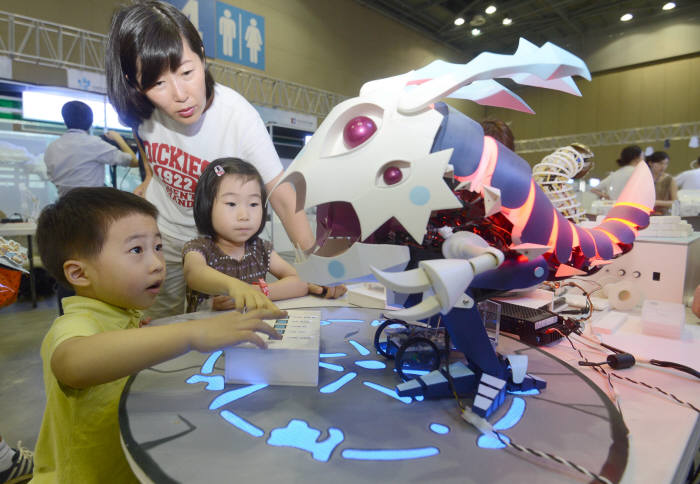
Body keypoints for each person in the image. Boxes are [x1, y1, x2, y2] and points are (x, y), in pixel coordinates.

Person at [32, 187, 284, 482]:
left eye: (159, 247)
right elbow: (72, 362)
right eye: (137, 250)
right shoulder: (76, 322)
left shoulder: (124, 313)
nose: (157, 264)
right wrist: (192, 333)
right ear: (79, 274)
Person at [106, 1, 314, 319]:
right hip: (163, 238)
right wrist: (149, 179)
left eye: (187, 72)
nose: (180, 94)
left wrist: (314, 262)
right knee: (158, 323)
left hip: (218, 244)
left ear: (202, 55)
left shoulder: (238, 117)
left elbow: (283, 197)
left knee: (217, 320)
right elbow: (145, 143)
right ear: (134, 83)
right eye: (158, 83)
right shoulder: (142, 112)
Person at [184, 158, 345, 312]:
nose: (244, 215)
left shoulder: (260, 248)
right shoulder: (199, 248)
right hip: (207, 333)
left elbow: (299, 281)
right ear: (206, 205)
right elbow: (194, 273)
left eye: (254, 204)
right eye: (231, 204)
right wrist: (233, 287)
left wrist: (254, 292)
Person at [44, 100, 138, 197]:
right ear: (91, 122)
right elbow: (133, 161)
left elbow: (51, 177)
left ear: (65, 121)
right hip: (91, 205)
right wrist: (118, 138)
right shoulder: (94, 143)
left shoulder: (52, 147)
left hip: (64, 205)